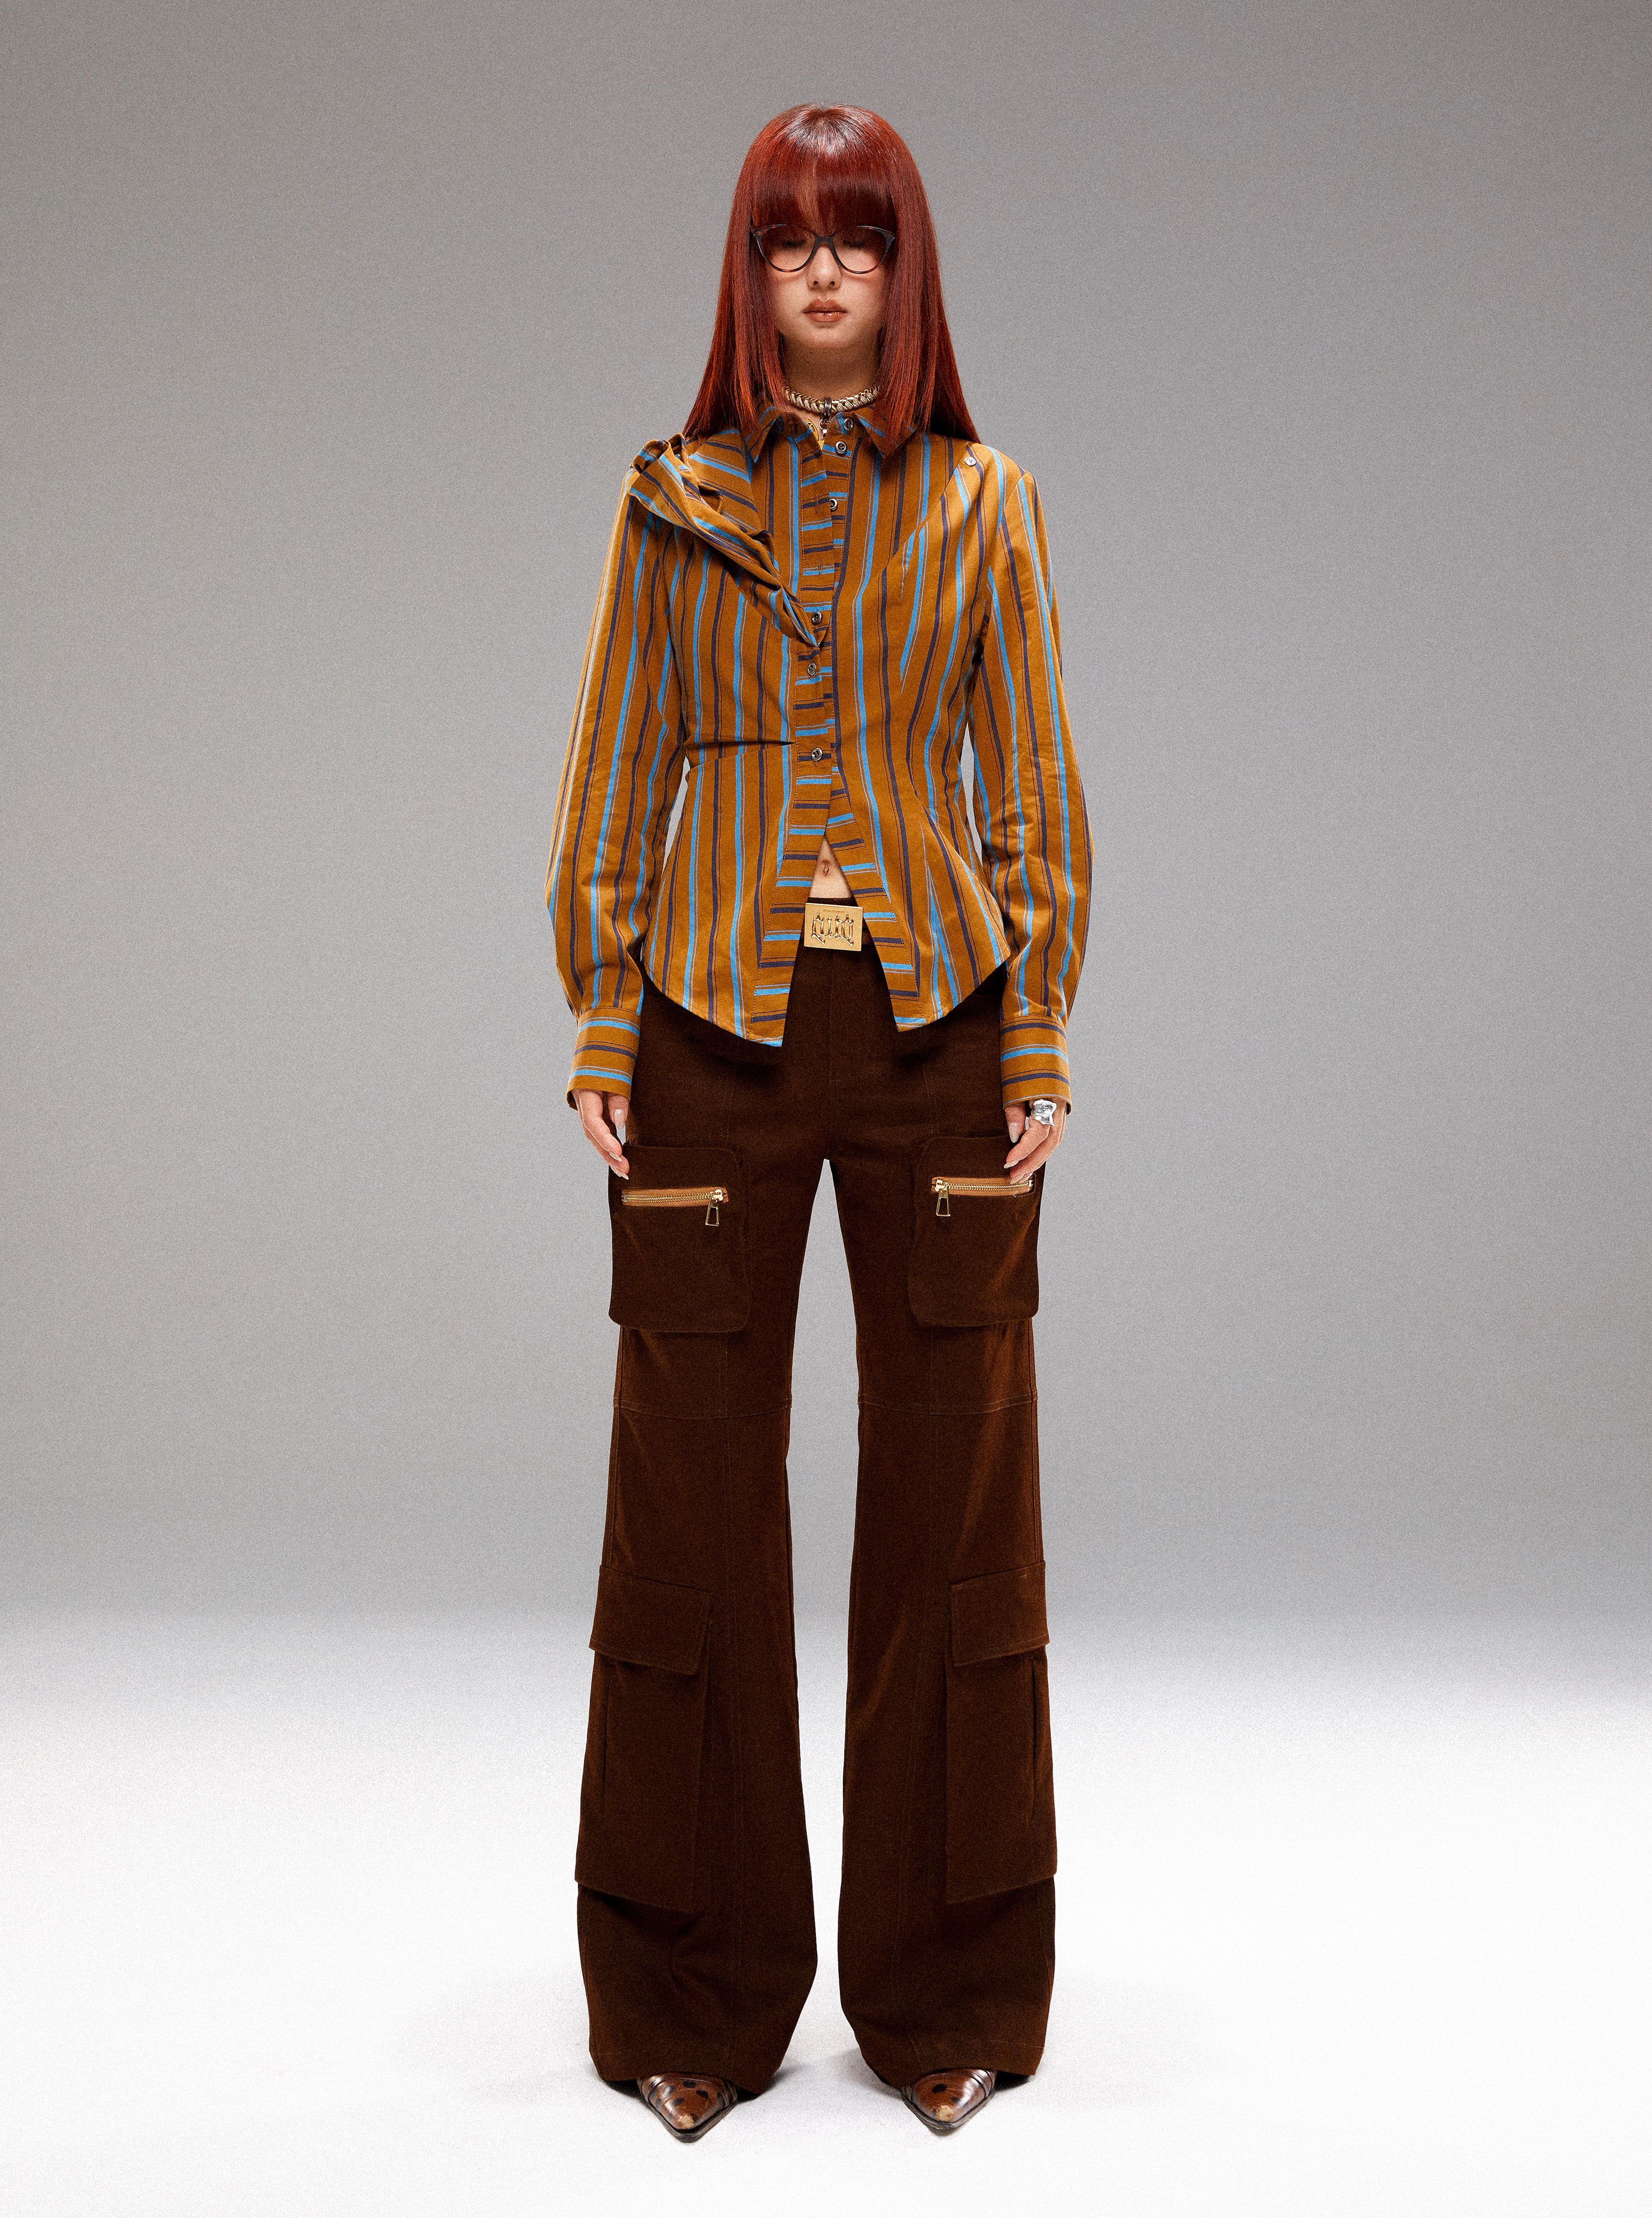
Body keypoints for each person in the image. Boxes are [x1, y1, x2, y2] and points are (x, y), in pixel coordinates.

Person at [545, 102, 1091, 2142]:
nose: (828, 272)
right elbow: (616, 766)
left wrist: (1036, 1041)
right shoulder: (667, 500)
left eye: (862, 238)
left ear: (906, 270)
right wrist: (605, 1015)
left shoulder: (987, 504)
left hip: (942, 1031)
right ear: (751, 276)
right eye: (792, 240)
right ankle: (689, 2000)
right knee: (688, 1510)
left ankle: (950, 1995)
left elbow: (1029, 785)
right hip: (709, 1031)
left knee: (957, 1512)